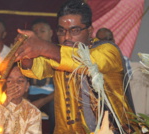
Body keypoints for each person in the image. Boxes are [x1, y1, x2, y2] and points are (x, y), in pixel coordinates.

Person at [14, 0, 140, 133]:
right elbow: (37, 68)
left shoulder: (107, 51)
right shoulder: (59, 54)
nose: (66, 37)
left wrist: (42, 47)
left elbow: (87, 63)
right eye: (61, 31)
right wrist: (25, 52)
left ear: (90, 31)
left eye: (75, 30)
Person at [0, 63, 42, 134]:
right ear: (3, 84)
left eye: (20, 81)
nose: (15, 84)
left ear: (27, 86)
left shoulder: (33, 112)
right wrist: (5, 103)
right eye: (9, 81)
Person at [28, 18, 55, 133]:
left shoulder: (59, 54)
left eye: (42, 31)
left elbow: (63, 88)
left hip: (51, 97)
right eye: (35, 32)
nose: (38, 35)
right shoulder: (26, 54)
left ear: (51, 33)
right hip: (29, 96)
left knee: (57, 108)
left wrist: (42, 101)